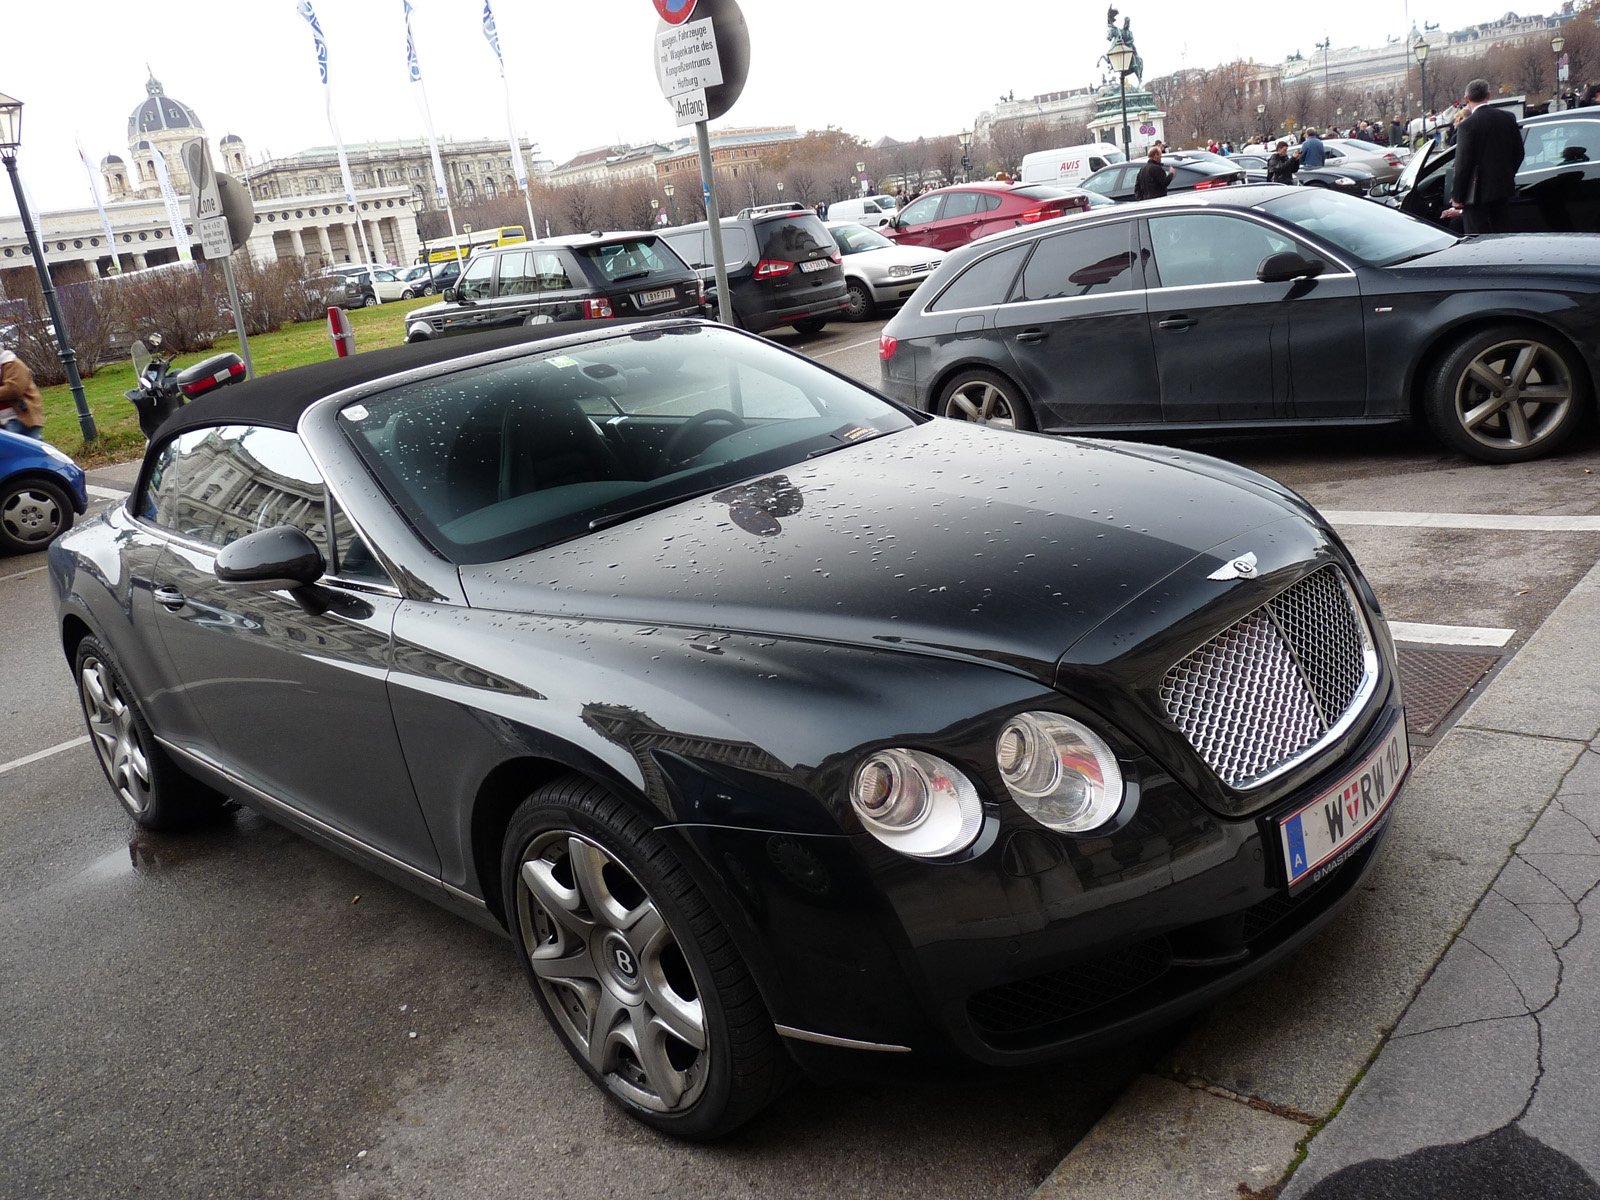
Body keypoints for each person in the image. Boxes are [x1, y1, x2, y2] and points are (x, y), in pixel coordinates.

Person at [1445, 78, 1525, 234]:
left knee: (1478, 241)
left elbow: (1463, 165)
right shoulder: (1508, 117)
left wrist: (1457, 197)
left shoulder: (1467, 125)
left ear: (1467, 99)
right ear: (1489, 95)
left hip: (1476, 197)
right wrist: (1507, 174)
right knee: (1503, 236)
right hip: (1503, 190)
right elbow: (1519, 153)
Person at [0, 348, 45, 440]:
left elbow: (13, 389)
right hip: (5, 419)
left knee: (31, 451)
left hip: (20, 417)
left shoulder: (12, 363)